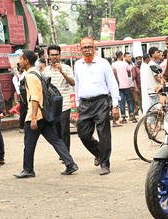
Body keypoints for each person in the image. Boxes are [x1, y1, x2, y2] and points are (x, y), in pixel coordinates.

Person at [13, 50, 78, 178]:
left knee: (29, 145)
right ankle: (70, 163)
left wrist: (32, 118)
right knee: (56, 140)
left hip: (36, 115)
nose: (18, 61)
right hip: (44, 113)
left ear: (26, 61)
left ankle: (28, 169)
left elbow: (35, 97)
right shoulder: (38, 72)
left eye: (20, 59)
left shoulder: (30, 76)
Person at [74, 36, 120, 176]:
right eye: (84, 47)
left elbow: (112, 84)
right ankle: (99, 153)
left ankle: (105, 163)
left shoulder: (103, 63)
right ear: (80, 49)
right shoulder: (77, 65)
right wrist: (77, 103)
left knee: (103, 134)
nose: (87, 50)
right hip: (84, 104)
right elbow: (77, 85)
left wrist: (115, 105)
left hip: (101, 102)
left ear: (94, 48)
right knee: (83, 134)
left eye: (90, 47)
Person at [43, 44, 75, 152]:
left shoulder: (66, 68)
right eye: (52, 55)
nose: (54, 57)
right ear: (48, 56)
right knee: (56, 130)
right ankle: (61, 151)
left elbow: (72, 83)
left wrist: (62, 72)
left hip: (65, 104)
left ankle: (66, 151)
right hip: (52, 106)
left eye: (56, 55)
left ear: (60, 55)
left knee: (64, 129)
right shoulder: (45, 71)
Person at [112, 50, 136, 123]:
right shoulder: (125, 64)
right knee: (130, 101)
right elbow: (129, 74)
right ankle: (133, 116)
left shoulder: (113, 65)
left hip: (118, 86)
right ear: (121, 56)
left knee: (122, 102)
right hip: (127, 85)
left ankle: (123, 118)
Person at [13, 65, 27, 134]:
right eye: (20, 67)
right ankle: (21, 127)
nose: (22, 68)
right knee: (23, 112)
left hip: (27, 94)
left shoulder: (26, 73)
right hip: (22, 95)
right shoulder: (16, 77)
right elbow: (17, 88)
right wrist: (21, 97)